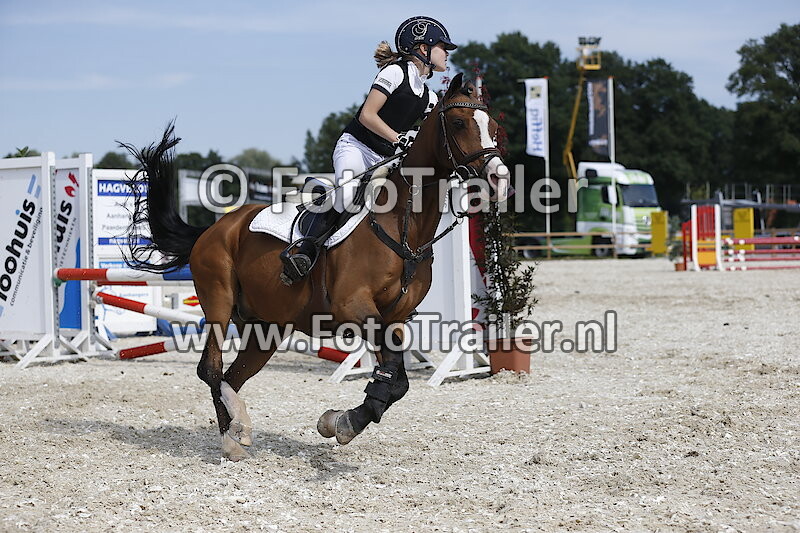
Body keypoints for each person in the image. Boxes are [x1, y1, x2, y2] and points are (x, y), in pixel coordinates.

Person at [281, 16, 457, 284]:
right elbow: (368, 116)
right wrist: (399, 139)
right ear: (423, 48)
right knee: (348, 195)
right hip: (357, 147)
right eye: (443, 47)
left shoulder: (429, 96)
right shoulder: (395, 73)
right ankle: (305, 251)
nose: (447, 53)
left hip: (385, 159)